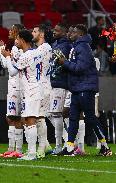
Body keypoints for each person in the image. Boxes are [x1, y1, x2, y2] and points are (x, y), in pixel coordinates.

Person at [58, 24, 112, 156]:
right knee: (73, 118)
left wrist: (64, 62)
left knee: (90, 118)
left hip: (85, 88)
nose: (70, 34)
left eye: (74, 32)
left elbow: (80, 68)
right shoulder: (77, 47)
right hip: (77, 87)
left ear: (80, 34)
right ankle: (70, 147)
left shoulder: (83, 47)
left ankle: (105, 146)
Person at [1, 29, 41, 160]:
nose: (16, 41)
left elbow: (12, 72)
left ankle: (32, 153)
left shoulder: (26, 55)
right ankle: (30, 152)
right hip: (34, 89)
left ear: (23, 40)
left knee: (30, 120)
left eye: (18, 38)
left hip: (30, 90)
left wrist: (7, 56)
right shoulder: (36, 53)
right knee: (27, 120)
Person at [0, 24, 24, 158]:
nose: (9, 31)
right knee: (10, 118)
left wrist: (7, 55)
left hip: (18, 86)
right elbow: (5, 64)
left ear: (17, 32)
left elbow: (12, 69)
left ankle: (18, 150)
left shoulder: (19, 49)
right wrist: (2, 50)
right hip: (13, 85)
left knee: (15, 118)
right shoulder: (14, 47)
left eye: (12, 29)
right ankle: (11, 148)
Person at [49, 23, 72, 155]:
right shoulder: (55, 44)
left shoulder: (65, 46)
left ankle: (60, 145)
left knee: (56, 114)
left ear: (63, 32)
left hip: (60, 83)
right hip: (54, 83)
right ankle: (66, 141)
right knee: (51, 113)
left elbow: (63, 64)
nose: (54, 31)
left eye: (57, 30)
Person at [31, 24, 53, 158]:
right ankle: (46, 145)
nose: (32, 33)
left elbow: (33, 61)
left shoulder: (45, 48)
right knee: (37, 117)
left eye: (34, 31)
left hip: (43, 86)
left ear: (42, 34)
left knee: (39, 117)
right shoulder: (39, 48)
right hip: (38, 86)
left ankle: (41, 149)